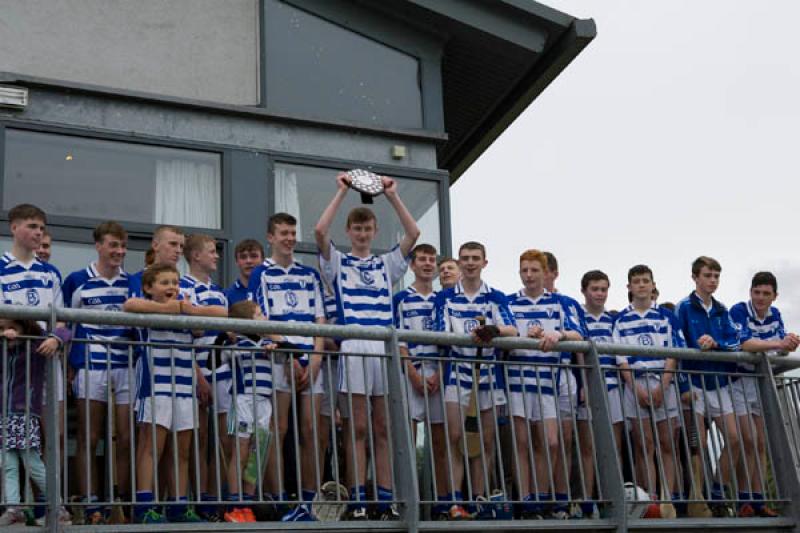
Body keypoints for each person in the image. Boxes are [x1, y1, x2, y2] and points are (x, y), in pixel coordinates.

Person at [315, 171, 420, 520]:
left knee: (382, 428)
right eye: (356, 229)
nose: (362, 234)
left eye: (367, 229)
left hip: (383, 348)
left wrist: (392, 195)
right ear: (349, 232)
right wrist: (342, 191)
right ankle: (357, 500)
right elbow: (319, 232)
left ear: (374, 232)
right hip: (355, 345)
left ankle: (385, 501)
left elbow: (413, 234)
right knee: (357, 426)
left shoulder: (386, 264)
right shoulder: (338, 262)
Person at [249, 213, 326, 522]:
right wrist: (291, 354)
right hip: (279, 358)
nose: (289, 238)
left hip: (311, 360)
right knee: (276, 430)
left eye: (293, 232)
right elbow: (259, 320)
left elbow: (321, 320)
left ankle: (311, 502)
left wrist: (316, 359)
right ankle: (279, 500)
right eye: (283, 233)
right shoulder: (261, 274)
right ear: (271, 237)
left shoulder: (309, 274)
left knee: (311, 431)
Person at [434, 241, 516, 520]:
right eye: (465, 258)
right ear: (459, 262)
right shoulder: (445, 297)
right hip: (457, 373)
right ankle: (456, 501)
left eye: (475, 258)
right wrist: (467, 338)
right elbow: (439, 333)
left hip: (490, 376)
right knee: (456, 438)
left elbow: (513, 329)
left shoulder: (496, 296)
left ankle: (480, 500)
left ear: (484, 262)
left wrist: (495, 330)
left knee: (486, 441)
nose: (470, 262)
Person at [0, 204, 68, 524]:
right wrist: (7, 332)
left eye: (41, 227)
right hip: (11, 371)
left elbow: (66, 320)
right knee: (11, 447)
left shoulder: (50, 272)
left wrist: (56, 338)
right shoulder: (0, 266)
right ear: (14, 228)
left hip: (45, 367)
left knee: (47, 440)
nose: (38, 232)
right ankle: (15, 507)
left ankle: (50, 510)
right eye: (31, 226)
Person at [62, 221, 132, 524]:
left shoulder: (131, 282)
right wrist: (68, 365)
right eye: (113, 245)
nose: (119, 251)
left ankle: (123, 503)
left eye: (122, 246)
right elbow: (63, 326)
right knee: (90, 437)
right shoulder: (76, 279)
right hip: (90, 364)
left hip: (125, 364)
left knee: (127, 437)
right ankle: (91, 505)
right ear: (99, 246)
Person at [125, 263, 206, 524]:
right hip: (156, 386)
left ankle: (179, 505)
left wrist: (187, 309)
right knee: (151, 447)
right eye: (164, 282)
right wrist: (168, 309)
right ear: (149, 287)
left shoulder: (185, 311)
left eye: (175, 282)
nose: (172, 287)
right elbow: (130, 306)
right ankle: (143, 505)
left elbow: (216, 316)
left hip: (184, 387)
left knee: (182, 451)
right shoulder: (146, 307)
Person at [506, 249, 582, 519]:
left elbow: (578, 333)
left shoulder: (559, 303)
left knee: (550, 442)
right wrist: (522, 336)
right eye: (524, 270)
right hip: (517, 379)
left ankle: (542, 495)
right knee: (522, 442)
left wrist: (557, 334)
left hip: (549, 381)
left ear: (544, 272)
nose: (529, 275)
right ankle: (529, 503)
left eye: (534, 270)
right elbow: (503, 331)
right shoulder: (509, 302)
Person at [675, 256, 742, 516]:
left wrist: (716, 343)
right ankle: (698, 498)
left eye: (716, 276)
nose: (712, 280)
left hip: (720, 384)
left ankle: (718, 491)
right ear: (695, 277)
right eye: (707, 275)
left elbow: (735, 340)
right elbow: (676, 347)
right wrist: (683, 388)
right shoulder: (683, 307)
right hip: (695, 383)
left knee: (734, 438)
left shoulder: (722, 309)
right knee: (698, 444)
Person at [614, 265, 684, 513]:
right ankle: (651, 500)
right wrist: (636, 389)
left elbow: (674, 352)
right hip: (635, 385)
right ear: (629, 287)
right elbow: (620, 359)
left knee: (668, 444)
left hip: (664, 383)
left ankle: (668, 499)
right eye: (636, 281)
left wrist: (663, 386)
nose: (641, 285)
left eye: (646, 281)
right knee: (644, 445)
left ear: (653, 285)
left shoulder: (666, 317)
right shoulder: (621, 320)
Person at [731, 271, 799, 517]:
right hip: (738, 382)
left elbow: (778, 346)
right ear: (750, 292)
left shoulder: (776, 314)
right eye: (756, 292)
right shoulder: (738, 310)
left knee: (759, 443)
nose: (760, 297)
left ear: (774, 296)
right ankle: (743, 500)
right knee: (746, 441)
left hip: (761, 382)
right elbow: (744, 343)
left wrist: (788, 343)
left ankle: (757, 501)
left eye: (766, 294)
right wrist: (779, 344)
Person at [392, 244, 448, 515]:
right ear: (412, 265)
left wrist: (440, 372)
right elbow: (398, 339)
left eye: (431, 260)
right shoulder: (402, 298)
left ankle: (441, 503)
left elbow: (449, 341)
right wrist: (412, 372)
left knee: (440, 441)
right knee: (409, 442)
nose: (427, 264)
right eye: (422, 259)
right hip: (411, 374)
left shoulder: (444, 298)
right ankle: (408, 503)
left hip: (438, 375)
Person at [0, 318, 71, 526]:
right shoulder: (2, 350)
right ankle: (13, 507)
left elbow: (66, 332)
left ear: (24, 328)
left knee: (32, 462)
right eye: (1, 329)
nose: (6, 333)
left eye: (11, 327)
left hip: (24, 413)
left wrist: (55, 339)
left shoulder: (33, 348)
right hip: (3, 414)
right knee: (7, 464)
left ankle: (58, 508)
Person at [179, 234, 228, 520]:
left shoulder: (220, 292)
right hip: (195, 372)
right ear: (195, 256)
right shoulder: (182, 287)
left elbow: (223, 325)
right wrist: (199, 377)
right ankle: (197, 499)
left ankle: (215, 498)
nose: (217, 256)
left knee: (222, 438)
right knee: (197, 438)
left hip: (222, 372)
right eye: (211, 251)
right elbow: (189, 335)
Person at [223, 300, 278, 524]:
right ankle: (235, 504)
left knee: (258, 454)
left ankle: (248, 500)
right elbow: (218, 355)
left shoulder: (268, 342)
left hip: (264, 402)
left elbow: (297, 352)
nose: (264, 316)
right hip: (244, 400)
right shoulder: (237, 344)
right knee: (241, 451)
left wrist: (277, 343)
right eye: (259, 314)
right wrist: (230, 335)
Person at [542, 251, 584, 517]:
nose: (537, 275)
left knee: (564, 441)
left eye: (544, 269)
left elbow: (580, 340)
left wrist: (584, 383)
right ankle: (537, 498)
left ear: (554, 273)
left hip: (564, 375)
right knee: (541, 441)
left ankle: (560, 500)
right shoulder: (517, 301)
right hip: (529, 377)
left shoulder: (567, 302)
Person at [577, 269, 622, 519]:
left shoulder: (613, 320)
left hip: (613, 387)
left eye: (603, 289)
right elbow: (578, 354)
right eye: (595, 289)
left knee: (612, 447)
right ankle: (587, 501)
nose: (599, 294)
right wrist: (584, 383)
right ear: (584, 291)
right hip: (588, 388)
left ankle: (610, 500)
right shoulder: (578, 317)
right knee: (587, 447)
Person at [127, 225, 185, 299]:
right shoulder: (136, 280)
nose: (178, 250)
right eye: (173, 244)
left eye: (181, 246)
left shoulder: (183, 284)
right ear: (155, 245)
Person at [226, 239, 264, 307]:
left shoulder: (271, 292)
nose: (248, 261)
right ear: (237, 262)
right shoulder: (227, 295)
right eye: (243, 257)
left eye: (253, 256)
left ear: (262, 260)